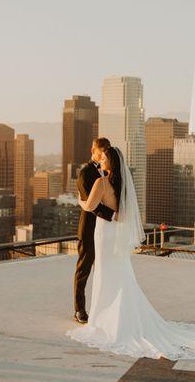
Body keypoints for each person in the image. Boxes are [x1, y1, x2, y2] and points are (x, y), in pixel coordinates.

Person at [66, 147, 195, 360]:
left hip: (105, 235)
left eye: (105, 157)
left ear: (110, 162)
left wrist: (79, 199)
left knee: (105, 274)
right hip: (114, 233)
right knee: (119, 275)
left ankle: (104, 319)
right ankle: (119, 316)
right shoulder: (123, 185)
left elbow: (89, 206)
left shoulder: (101, 183)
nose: (102, 160)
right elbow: (121, 213)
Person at [74, 137, 115, 324]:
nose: (104, 154)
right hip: (89, 229)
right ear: (93, 150)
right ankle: (80, 310)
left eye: (106, 151)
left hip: (105, 231)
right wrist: (113, 215)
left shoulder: (110, 172)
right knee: (83, 271)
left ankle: (104, 308)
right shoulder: (85, 173)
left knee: (105, 270)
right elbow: (92, 206)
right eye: (101, 151)